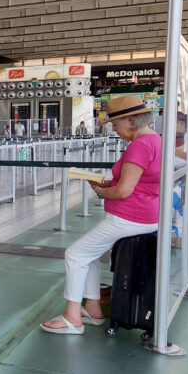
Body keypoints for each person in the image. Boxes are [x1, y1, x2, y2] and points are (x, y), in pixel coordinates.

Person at [41, 95, 161, 335]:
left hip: (129, 217)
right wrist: (110, 183)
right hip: (146, 215)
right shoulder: (156, 140)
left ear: (130, 120)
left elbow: (124, 191)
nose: (114, 130)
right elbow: (139, 182)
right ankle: (93, 308)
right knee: (90, 256)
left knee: (75, 255)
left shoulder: (140, 145)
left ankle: (72, 318)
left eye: (115, 124)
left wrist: (101, 190)